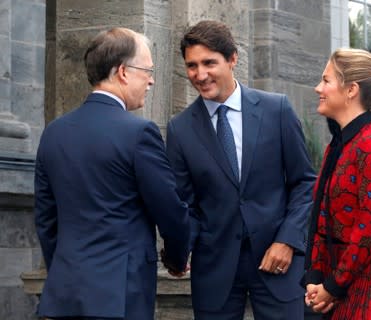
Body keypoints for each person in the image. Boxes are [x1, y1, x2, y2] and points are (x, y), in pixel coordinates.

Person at [34, 27, 191, 320]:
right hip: (120, 296)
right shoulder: (139, 133)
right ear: (122, 72)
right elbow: (170, 209)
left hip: (64, 294)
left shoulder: (53, 133)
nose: (151, 80)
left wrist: (66, 271)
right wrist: (176, 259)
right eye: (147, 70)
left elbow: (46, 221)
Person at [165, 20, 316, 320]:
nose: (200, 74)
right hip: (214, 267)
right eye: (192, 65)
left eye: (209, 63)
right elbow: (186, 205)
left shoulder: (278, 110)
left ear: (233, 59)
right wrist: (178, 252)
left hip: (278, 262)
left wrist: (287, 240)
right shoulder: (179, 129)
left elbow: (304, 183)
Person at [303, 47, 371, 319]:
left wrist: (332, 287)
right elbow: (321, 217)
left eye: (326, 80)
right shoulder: (338, 144)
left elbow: (368, 230)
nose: (318, 88)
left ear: (351, 90)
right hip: (341, 283)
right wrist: (316, 278)